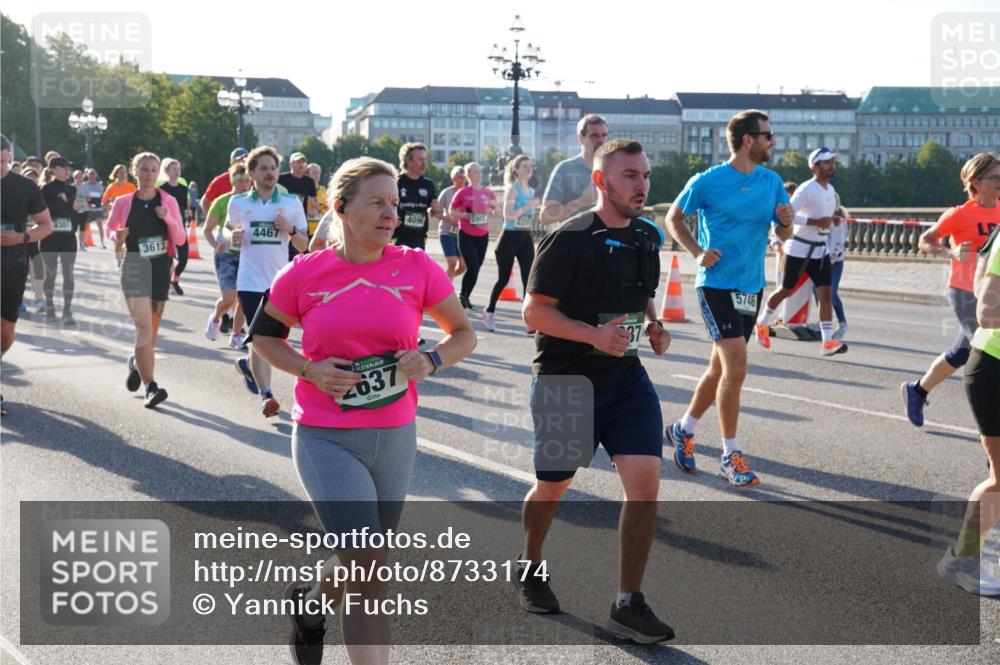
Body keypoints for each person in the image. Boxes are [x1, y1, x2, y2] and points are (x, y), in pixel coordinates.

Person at [249, 156, 476, 665]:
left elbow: (464, 334)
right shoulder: (304, 273)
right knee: (370, 566)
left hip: (395, 436)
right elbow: (263, 337)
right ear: (341, 209)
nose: (390, 214)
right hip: (326, 437)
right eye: (376, 203)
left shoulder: (416, 266)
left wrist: (431, 359)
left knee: (365, 561)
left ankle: (310, 603)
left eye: (394, 204)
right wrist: (309, 371)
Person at [518, 139, 673, 643]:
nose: (642, 184)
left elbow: (642, 295)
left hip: (625, 379)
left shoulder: (647, 236)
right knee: (553, 486)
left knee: (644, 488)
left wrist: (654, 325)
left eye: (645, 174)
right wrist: (591, 335)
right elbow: (534, 312)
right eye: (629, 175)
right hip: (566, 380)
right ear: (600, 181)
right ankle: (530, 563)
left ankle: (628, 603)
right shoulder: (570, 237)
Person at [664, 109, 793, 488]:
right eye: (768, 135)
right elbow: (674, 217)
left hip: (750, 286)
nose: (773, 141)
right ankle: (729, 454)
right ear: (748, 140)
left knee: (720, 370)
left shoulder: (771, 182)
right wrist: (696, 252)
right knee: (736, 367)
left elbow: (784, 236)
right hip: (716, 284)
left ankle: (683, 429)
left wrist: (785, 221)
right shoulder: (709, 180)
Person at [902, 153, 1000, 427]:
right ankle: (988, 418)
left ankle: (918, 390)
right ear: (976, 182)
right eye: (995, 177)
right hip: (964, 291)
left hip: (992, 292)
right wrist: (951, 251)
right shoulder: (959, 214)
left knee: (963, 351)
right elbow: (925, 240)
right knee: (984, 350)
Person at [226, 145, 308, 417]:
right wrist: (232, 238)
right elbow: (230, 231)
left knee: (269, 339)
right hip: (249, 281)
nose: (270, 173)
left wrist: (290, 229)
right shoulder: (239, 203)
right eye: (263, 168)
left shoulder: (290, 204)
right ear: (251, 173)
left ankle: (250, 366)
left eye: (273, 168)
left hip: (280, 282)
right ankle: (267, 395)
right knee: (260, 337)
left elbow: (304, 243)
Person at [105, 152, 187, 408]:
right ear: (135, 172)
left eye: (153, 170)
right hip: (134, 266)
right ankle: (151, 386)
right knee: (144, 328)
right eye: (144, 169)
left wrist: (168, 218)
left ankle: (135, 362)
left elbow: (182, 238)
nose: (149, 174)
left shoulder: (169, 201)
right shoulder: (123, 202)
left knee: (149, 336)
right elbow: (110, 228)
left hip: (161, 267)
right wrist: (116, 236)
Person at [755, 147, 847, 356]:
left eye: (832, 162)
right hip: (798, 248)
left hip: (819, 251)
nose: (831, 166)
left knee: (825, 295)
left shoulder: (831, 191)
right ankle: (762, 323)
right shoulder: (806, 189)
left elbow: (824, 218)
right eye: (826, 162)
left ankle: (827, 342)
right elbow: (787, 215)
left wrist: (831, 221)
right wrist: (815, 221)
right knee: (785, 290)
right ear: (815, 167)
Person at [1, 134, 53, 415]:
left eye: (1, 161)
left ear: (9, 158)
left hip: (14, 264)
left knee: (6, 332)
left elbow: (46, 226)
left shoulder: (26, 187)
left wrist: (21, 237)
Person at [484, 154, 538, 333]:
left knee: (528, 279)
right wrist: (528, 207)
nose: (529, 169)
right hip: (509, 238)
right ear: (516, 170)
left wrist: (536, 213)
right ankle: (490, 311)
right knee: (503, 278)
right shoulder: (512, 189)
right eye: (525, 166)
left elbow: (526, 216)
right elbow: (508, 215)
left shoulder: (531, 191)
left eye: (530, 166)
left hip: (525, 238)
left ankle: (529, 320)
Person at [203, 161, 252, 348]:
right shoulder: (222, 202)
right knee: (229, 299)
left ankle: (237, 334)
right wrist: (216, 244)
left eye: (248, 181)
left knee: (243, 298)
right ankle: (216, 318)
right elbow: (207, 229)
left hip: (246, 255)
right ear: (233, 181)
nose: (245, 184)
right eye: (241, 181)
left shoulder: (252, 201)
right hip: (225, 255)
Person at [539, 114, 608, 228]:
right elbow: (545, 216)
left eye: (604, 135)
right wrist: (582, 201)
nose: (601, 140)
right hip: (573, 242)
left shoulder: (612, 169)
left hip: (606, 242)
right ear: (581, 138)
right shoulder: (565, 169)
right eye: (594, 135)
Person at [39, 156, 81, 326]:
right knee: (50, 274)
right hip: (49, 237)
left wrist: (70, 203)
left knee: (69, 275)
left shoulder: (72, 190)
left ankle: (67, 310)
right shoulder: (44, 190)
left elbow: (77, 212)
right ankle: (49, 307)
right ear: (53, 169)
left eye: (68, 168)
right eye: (63, 167)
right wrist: (59, 202)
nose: (67, 171)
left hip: (68, 238)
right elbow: (42, 213)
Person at [450, 162, 497, 310]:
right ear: (468, 175)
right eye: (475, 171)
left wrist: (495, 209)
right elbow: (452, 210)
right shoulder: (463, 192)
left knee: (476, 268)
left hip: (482, 235)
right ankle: (462, 296)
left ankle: (465, 296)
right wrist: (463, 215)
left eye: (480, 171)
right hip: (466, 234)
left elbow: (496, 208)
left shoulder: (488, 192)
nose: (479, 174)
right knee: (473, 267)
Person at [393, 142, 441, 250]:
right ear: (408, 161)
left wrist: (434, 210)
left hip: (419, 238)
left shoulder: (428, 184)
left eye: (425, 159)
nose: (424, 163)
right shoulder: (396, 182)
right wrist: (392, 218)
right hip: (398, 236)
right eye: (420, 160)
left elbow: (432, 211)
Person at [158, 158, 191, 296]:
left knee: (184, 258)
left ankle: (175, 280)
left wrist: (188, 212)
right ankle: (165, 285)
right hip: (165, 227)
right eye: (174, 169)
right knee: (168, 258)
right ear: (167, 171)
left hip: (179, 226)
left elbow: (185, 206)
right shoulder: (162, 189)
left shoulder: (184, 188)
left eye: (178, 169)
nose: (177, 172)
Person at [278, 152, 317, 259]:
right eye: (298, 162)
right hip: (282, 222)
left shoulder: (309, 182)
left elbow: (314, 203)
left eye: (303, 162)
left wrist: (314, 205)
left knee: (301, 254)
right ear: (291, 164)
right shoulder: (281, 179)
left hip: (300, 223)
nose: (301, 164)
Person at [103, 163, 137, 267]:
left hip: (128, 215)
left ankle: (126, 256)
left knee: (127, 237)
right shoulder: (112, 186)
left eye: (125, 172)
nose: (123, 174)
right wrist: (109, 206)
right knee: (118, 238)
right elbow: (104, 201)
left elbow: (136, 200)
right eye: (121, 172)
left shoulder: (131, 186)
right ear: (116, 174)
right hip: (115, 215)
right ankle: (118, 258)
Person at [436, 165, 467, 280]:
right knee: (452, 263)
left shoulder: (467, 193)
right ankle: (447, 288)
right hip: (446, 232)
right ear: (453, 178)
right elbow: (436, 212)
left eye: (464, 177)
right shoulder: (446, 193)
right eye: (459, 177)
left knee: (463, 266)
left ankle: (443, 280)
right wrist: (448, 218)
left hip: (461, 232)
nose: (462, 179)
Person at [827, 193, 849, 340]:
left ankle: (842, 323)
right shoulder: (823, 218)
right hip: (822, 261)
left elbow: (838, 245)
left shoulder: (839, 222)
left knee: (832, 293)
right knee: (819, 293)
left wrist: (829, 261)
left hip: (834, 263)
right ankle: (826, 323)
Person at [201, 147, 247, 213]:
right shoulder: (221, 180)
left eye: (245, 160)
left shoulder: (253, 179)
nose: (242, 163)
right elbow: (204, 202)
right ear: (231, 163)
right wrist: (214, 219)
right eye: (239, 160)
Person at [83, 168, 107, 248]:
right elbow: (82, 197)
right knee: (85, 225)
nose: (92, 176)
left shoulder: (99, 185)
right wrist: (86, 203)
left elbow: (101, 197)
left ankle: (102, 242)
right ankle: (84, 241)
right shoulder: (85, 185)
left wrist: (102, 204)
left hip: (98, 209)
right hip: (88, 209)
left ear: (96, 175)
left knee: (100, 225)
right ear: (88, 175)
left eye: (93, 174)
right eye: (90, 174)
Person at [306, 163, 329, 241]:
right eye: (314, 172)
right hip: (305, 230)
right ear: (308, 174)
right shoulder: (302, 190)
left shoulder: (324, 191)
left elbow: (329, 213)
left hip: (319, 232)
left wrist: (318, 208)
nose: (316, 175)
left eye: (318, 173)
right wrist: (307, 211)